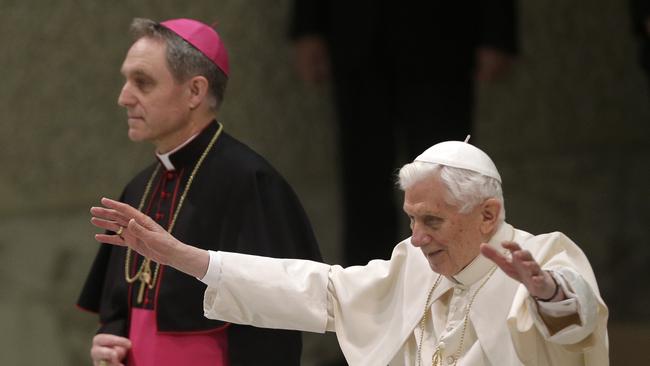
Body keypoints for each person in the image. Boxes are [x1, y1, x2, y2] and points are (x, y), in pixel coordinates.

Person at [91, 140, 609, 365]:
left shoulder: (540, 259)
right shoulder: (412, 262)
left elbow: (579, 318)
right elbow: (322, 290)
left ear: (488, 215)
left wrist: (546, 293)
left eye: (433, 221)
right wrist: (187, 257)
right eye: (412, 218)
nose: (418, 236)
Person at [77, 17, 322, 366]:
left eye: (142, 83)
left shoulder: (251, 182)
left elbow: (274, 319)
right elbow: (122, 303)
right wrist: (110, 339)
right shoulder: (139, 187)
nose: (123, 98)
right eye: (125, 80)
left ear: (195, 91)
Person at [289, 0, 519, 266]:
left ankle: (456, 279)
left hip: (441, 35)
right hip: (356, 31)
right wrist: (308, 26)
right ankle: (367, 287)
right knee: (363, 178)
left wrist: (497, 32)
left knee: (448, 176)